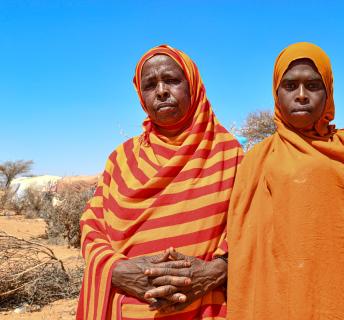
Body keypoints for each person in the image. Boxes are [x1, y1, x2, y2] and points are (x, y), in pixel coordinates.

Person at [227, 42, 344, 319]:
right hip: (278, 302)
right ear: (276, 92)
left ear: (328, 91)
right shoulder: (257, 160)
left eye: (312, 85)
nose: (301, 96)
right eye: (289, 86)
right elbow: (244, 247)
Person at [76, 45, 243, 319]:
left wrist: (215, 271)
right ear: (141, 96)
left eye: (172, 80)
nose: (162, 91)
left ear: (193, 86)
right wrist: (118, 270)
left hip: (207, 309)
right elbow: (92, 226)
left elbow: (252, 228)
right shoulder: (121, 160)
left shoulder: (228, 153)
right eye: (150, 84)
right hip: (130, 309)